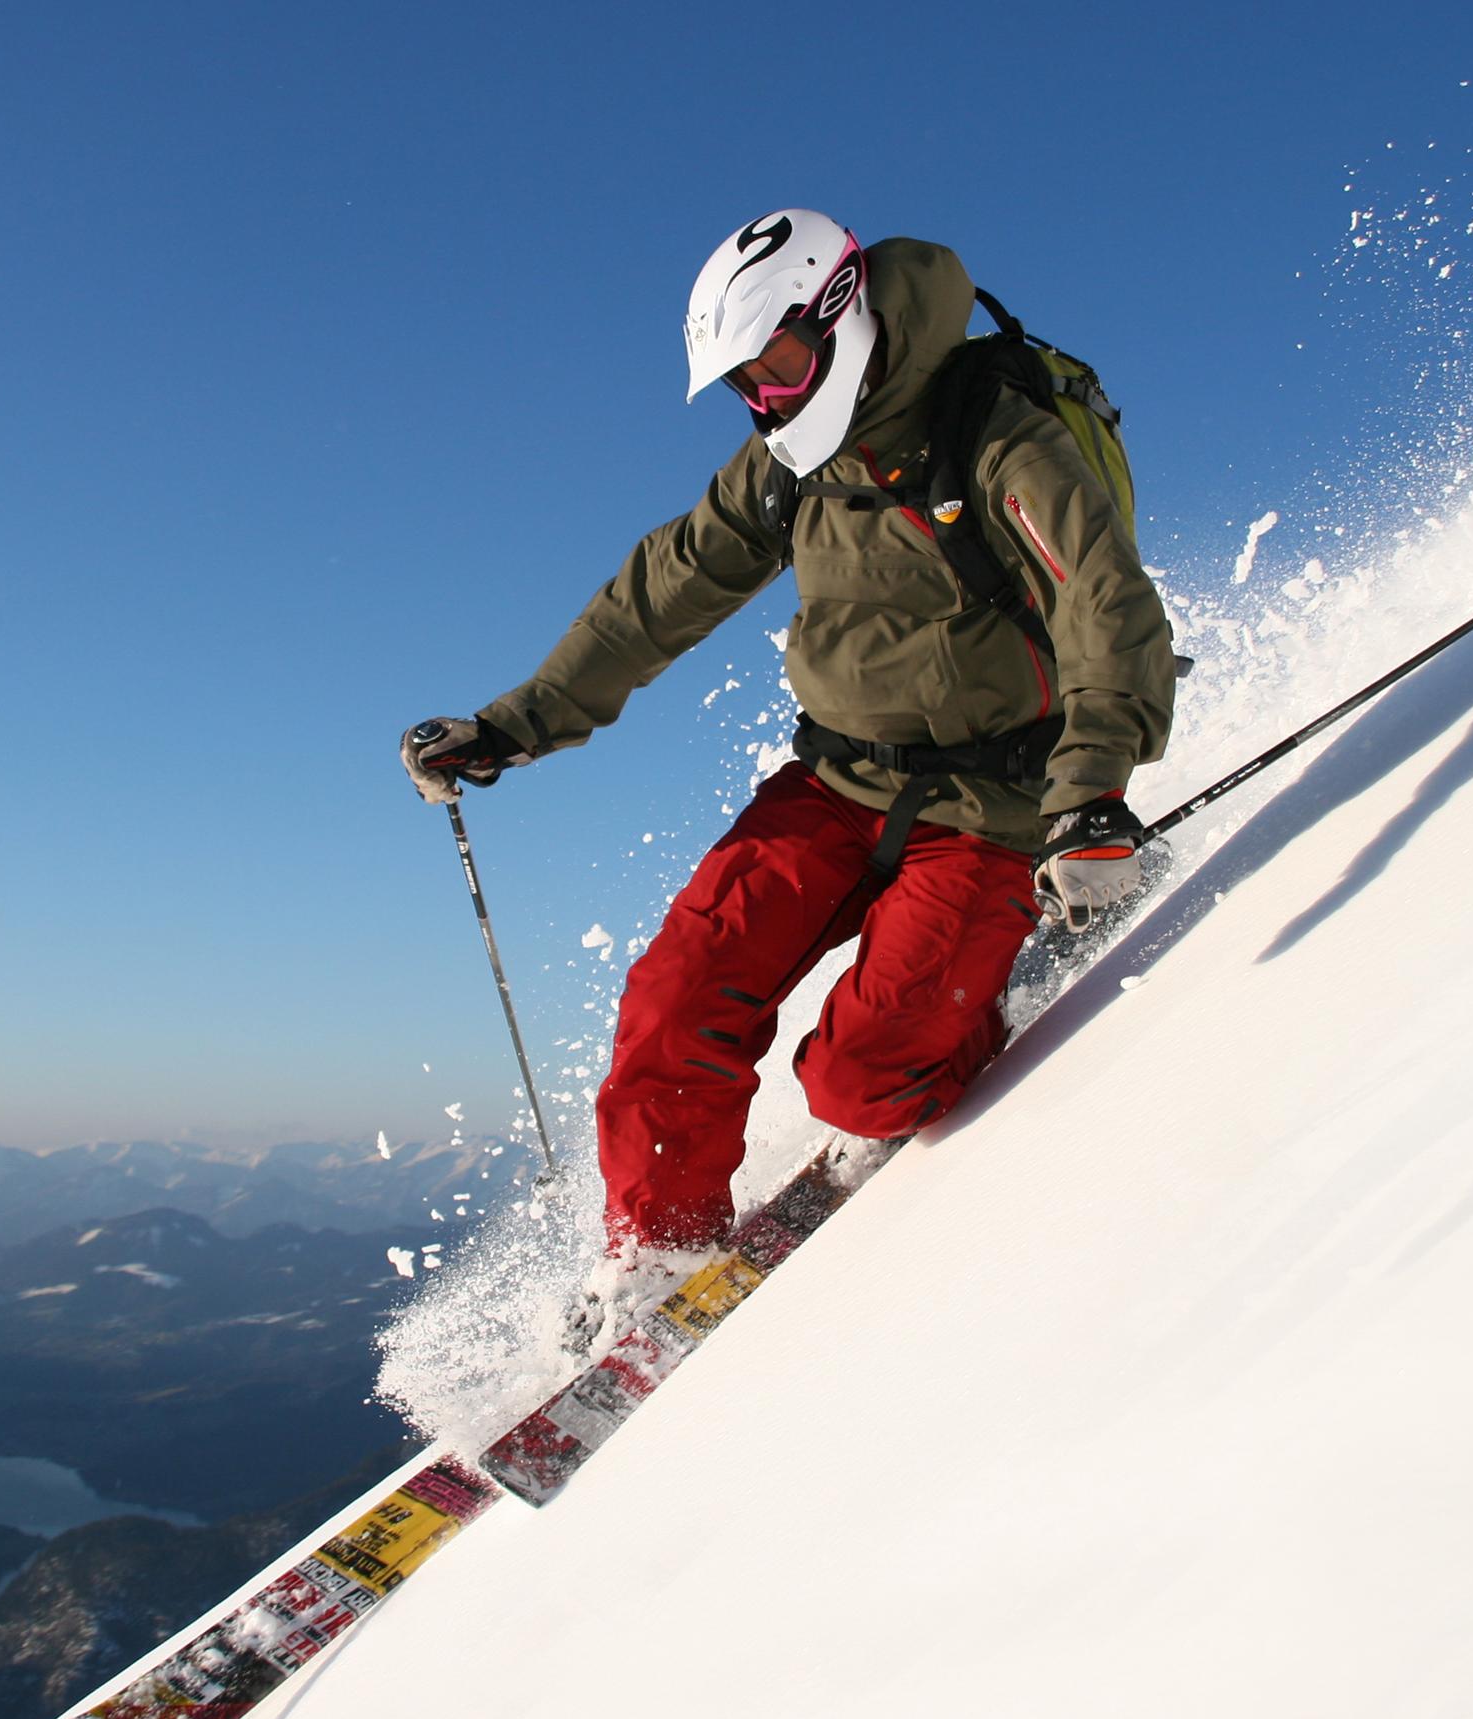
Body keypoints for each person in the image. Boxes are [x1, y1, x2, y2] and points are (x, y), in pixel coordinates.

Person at [401, 208, 1176, 1315]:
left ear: (842, 314)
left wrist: (1092, 790)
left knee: (863, 1080)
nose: (767, 396)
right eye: (745, 381)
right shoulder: (785, 469)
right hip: (834, 784)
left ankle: (977, 1003)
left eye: (778, 362)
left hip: (998, 801)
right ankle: (655, 1262)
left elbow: (1106, 605)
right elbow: (661, 593)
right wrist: (514, 723)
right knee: (674, 1004)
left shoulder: (995, 433)